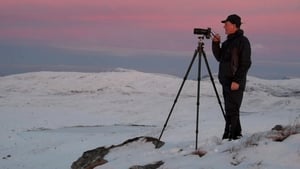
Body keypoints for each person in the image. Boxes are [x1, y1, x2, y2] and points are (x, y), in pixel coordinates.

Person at [212, 14, 252, 140]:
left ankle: (231, 136)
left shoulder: (243, 41)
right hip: (226, 81)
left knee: (232, 110)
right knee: (230, 109)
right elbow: (220, 58)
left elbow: (246, 63)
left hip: (235, 82)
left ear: (234, 25)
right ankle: (236, 134)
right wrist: (216, 44)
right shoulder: (227, 43)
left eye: (226, 24)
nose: (224, 26)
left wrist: (237, 80)